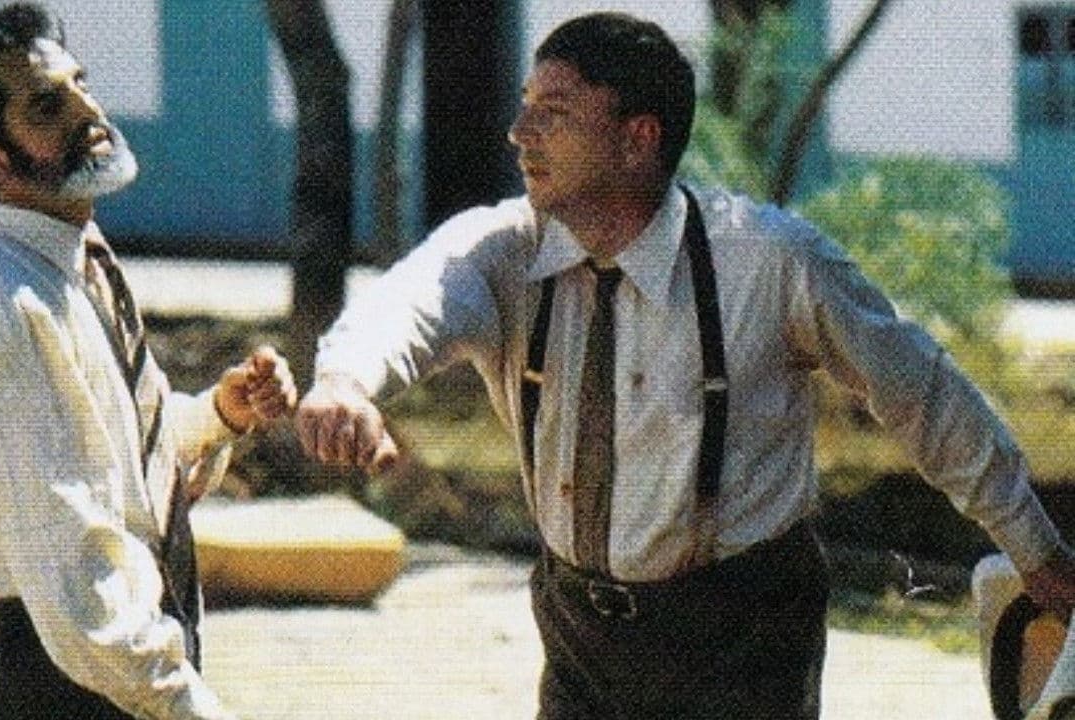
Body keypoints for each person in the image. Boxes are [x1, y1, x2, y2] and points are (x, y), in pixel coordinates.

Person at [295, 11, 1075, 719]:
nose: (519, 132)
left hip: (743, 636)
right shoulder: (504, 250)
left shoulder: (768, 262)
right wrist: (345, 383)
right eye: (526, 106)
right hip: (578, 633)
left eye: (554, 113)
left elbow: (923, 395)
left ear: (638, 138)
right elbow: (410, 302)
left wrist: (1032, 547)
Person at [0, 4, 295, 718]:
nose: (89, 111)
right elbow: (75, 575)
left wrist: (219, 415)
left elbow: (113, 464)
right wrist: (187, 706)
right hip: (76, 681)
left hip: (117, 666)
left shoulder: (68, 255)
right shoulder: (7, 306)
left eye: (80, 84)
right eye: (47, 105)